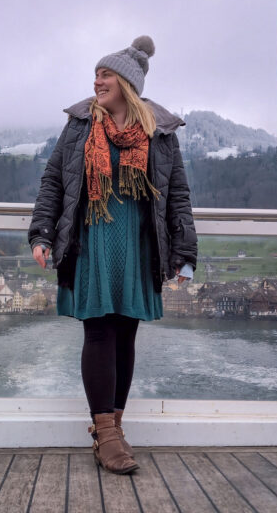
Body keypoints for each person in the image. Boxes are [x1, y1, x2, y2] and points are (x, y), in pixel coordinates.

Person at [28, 36, 197, 475]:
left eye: (105, 74)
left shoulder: (159, 132)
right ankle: (105, 434)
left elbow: (177, 195)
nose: (97, 81)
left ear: (126, 82)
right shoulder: (81, 124)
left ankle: (114, 429)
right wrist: (42, 234)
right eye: (96, 74)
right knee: (99, 331)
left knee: (126, 334)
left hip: (139, 245)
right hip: (91, 242)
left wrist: (184, 253)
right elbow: (53, 182)